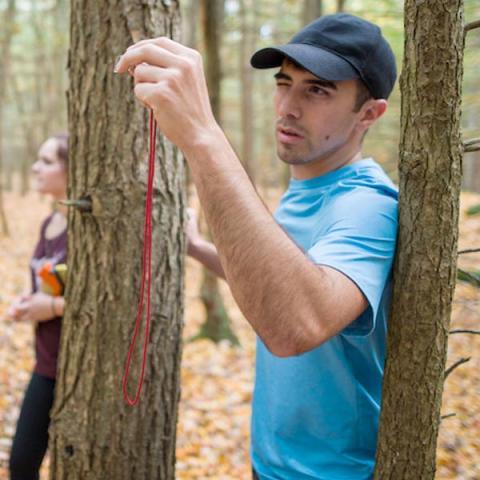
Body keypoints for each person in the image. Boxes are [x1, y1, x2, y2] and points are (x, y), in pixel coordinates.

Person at [116, 13, 398, 480]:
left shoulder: (368, 205)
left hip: (333, 472)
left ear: (369, 113)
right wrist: (200, 248)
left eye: (317, 90)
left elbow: (296, 323)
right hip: (269, 463)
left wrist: (204, 137)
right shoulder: (310, 186)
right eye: (284, 83)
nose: (287, 106)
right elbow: (284, 276)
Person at [7, 133, 68, 480]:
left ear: (71, 169)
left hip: (73, 366)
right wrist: (28, 304)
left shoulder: (83, 230)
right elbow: (44, 285)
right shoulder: (49, 224)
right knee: (21, 464)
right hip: (45, 363)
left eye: (47, 161)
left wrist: (55, 307)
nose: (36, 168)